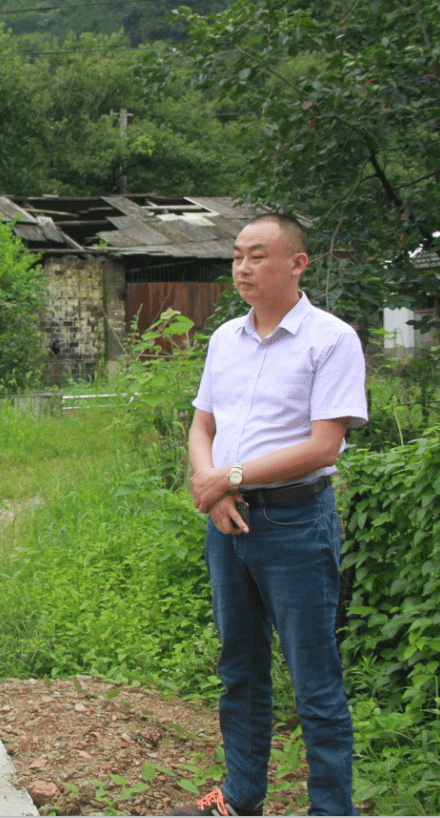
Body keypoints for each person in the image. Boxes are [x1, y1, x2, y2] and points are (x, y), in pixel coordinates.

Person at [170, 214, 366, 817]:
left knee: (314, 680)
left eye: (258, 256)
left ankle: (331, 809)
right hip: (226, 524)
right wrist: (213, 486)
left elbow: (322, 446)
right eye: (237, 257)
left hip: (295, 524)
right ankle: (239, 798)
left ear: (297, 263)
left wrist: (227, 478)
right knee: (240, 670)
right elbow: (203, 424)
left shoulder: (331, 339)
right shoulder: (225, 337)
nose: (244, 269)